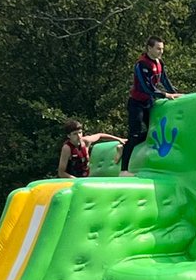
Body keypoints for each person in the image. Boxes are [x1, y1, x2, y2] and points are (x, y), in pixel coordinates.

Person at [120, 37, 180, 172]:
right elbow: (146, 88)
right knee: (134, 135)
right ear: (149, 48)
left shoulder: (159, 62)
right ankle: (124, 170)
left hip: (149, 103)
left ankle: (125, 147)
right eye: (158, 49)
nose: (161, 52)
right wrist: (166, 95)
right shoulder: (141, 65)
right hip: (137, 104)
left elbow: (164, 80)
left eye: (162, 49)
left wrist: (176, 94)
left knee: (152, 133)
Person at [58, 119, 125, 177]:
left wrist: (118, 139)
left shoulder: (86, 141)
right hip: (72, 179)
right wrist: (76, 181)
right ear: (69, 136)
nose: (79, 136)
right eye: (75, 134)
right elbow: (61, 173)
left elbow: (100, 135)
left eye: (80, 133)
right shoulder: (67, 148)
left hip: (86, 177)